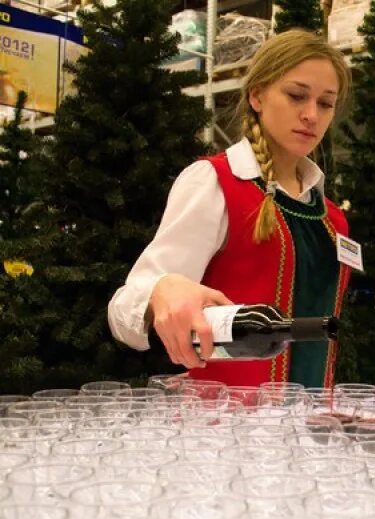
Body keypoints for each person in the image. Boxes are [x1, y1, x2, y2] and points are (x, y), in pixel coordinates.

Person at [108, 30, 352, 387]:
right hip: (224, 427)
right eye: (296, 95)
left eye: (326, 103)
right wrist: (160, 292)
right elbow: (123, 310)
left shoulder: (332, 217)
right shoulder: (214, 182)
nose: (311, 115)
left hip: (308, 425)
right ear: (256, 95)